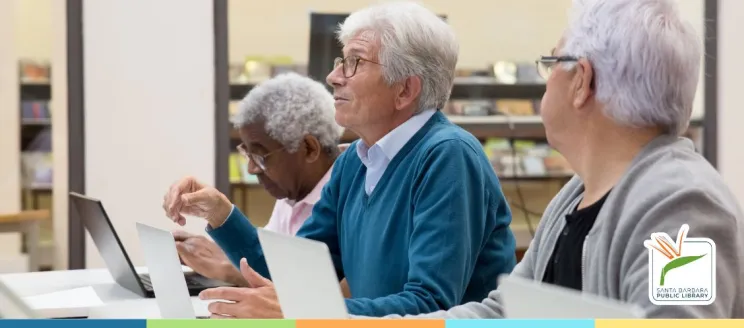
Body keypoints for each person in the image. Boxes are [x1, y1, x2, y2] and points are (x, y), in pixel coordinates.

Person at [378, 0, 744, 319]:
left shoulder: (684, 211)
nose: (546, 81)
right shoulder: (575, 195)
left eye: (552, 62)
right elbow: (504, 313)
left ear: (582, 81)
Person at [162, 1, 517, 319]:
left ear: (405, 90)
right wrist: (220, 214)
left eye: (354, 63)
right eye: (339, 61)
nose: (333, 77)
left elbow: (431, 307)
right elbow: (293, 273)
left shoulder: (448, 157)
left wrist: (302, 309)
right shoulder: (355, 162)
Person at [167, 72, 351, 295]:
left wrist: (230, 268)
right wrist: (223, 244)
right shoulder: (294, 191)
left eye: (261, 157)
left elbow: (306, 287)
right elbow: (269, 263)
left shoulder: (351, 189)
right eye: (248, 154)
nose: (252, 169)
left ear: (309, 149)